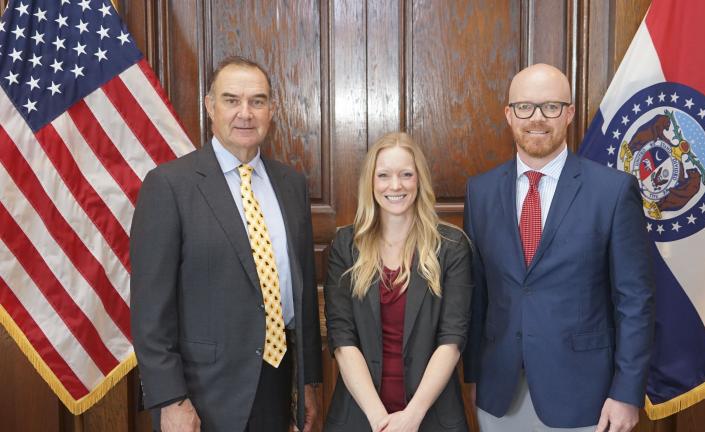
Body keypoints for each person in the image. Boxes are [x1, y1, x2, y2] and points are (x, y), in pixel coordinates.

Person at [130, 56, 322, 432]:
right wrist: (171, 399)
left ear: (272, 109)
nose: (245, 113)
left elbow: (302, 300)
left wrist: (309, 383)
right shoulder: (169, 185)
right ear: (210, 106)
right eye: (231, 100)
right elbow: (150, 312)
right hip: (202, 396)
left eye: (257, 101)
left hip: (276, 385)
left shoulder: (291, 185)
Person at [463, 64, 655, 432]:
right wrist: (473, 377)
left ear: (569, 114)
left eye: (551, 107)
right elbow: (478, 295)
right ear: (508, 114)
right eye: (524, 107)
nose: (537, 118)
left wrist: (627, 393)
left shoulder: (613, 191)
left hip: (586, 396)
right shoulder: (480, 192)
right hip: (500, 393)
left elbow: (635, 301)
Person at [323, 132, 472, 432]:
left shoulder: (451, 247)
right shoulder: (345, 246)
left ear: (419, 180)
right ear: (371, 182)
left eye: (406, 174)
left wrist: (411, 417)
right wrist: (380, 421)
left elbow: (452, 340)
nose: (395, 185)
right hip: (360, 416)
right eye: (384, 175)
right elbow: (342, 339)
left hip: (432, 417)